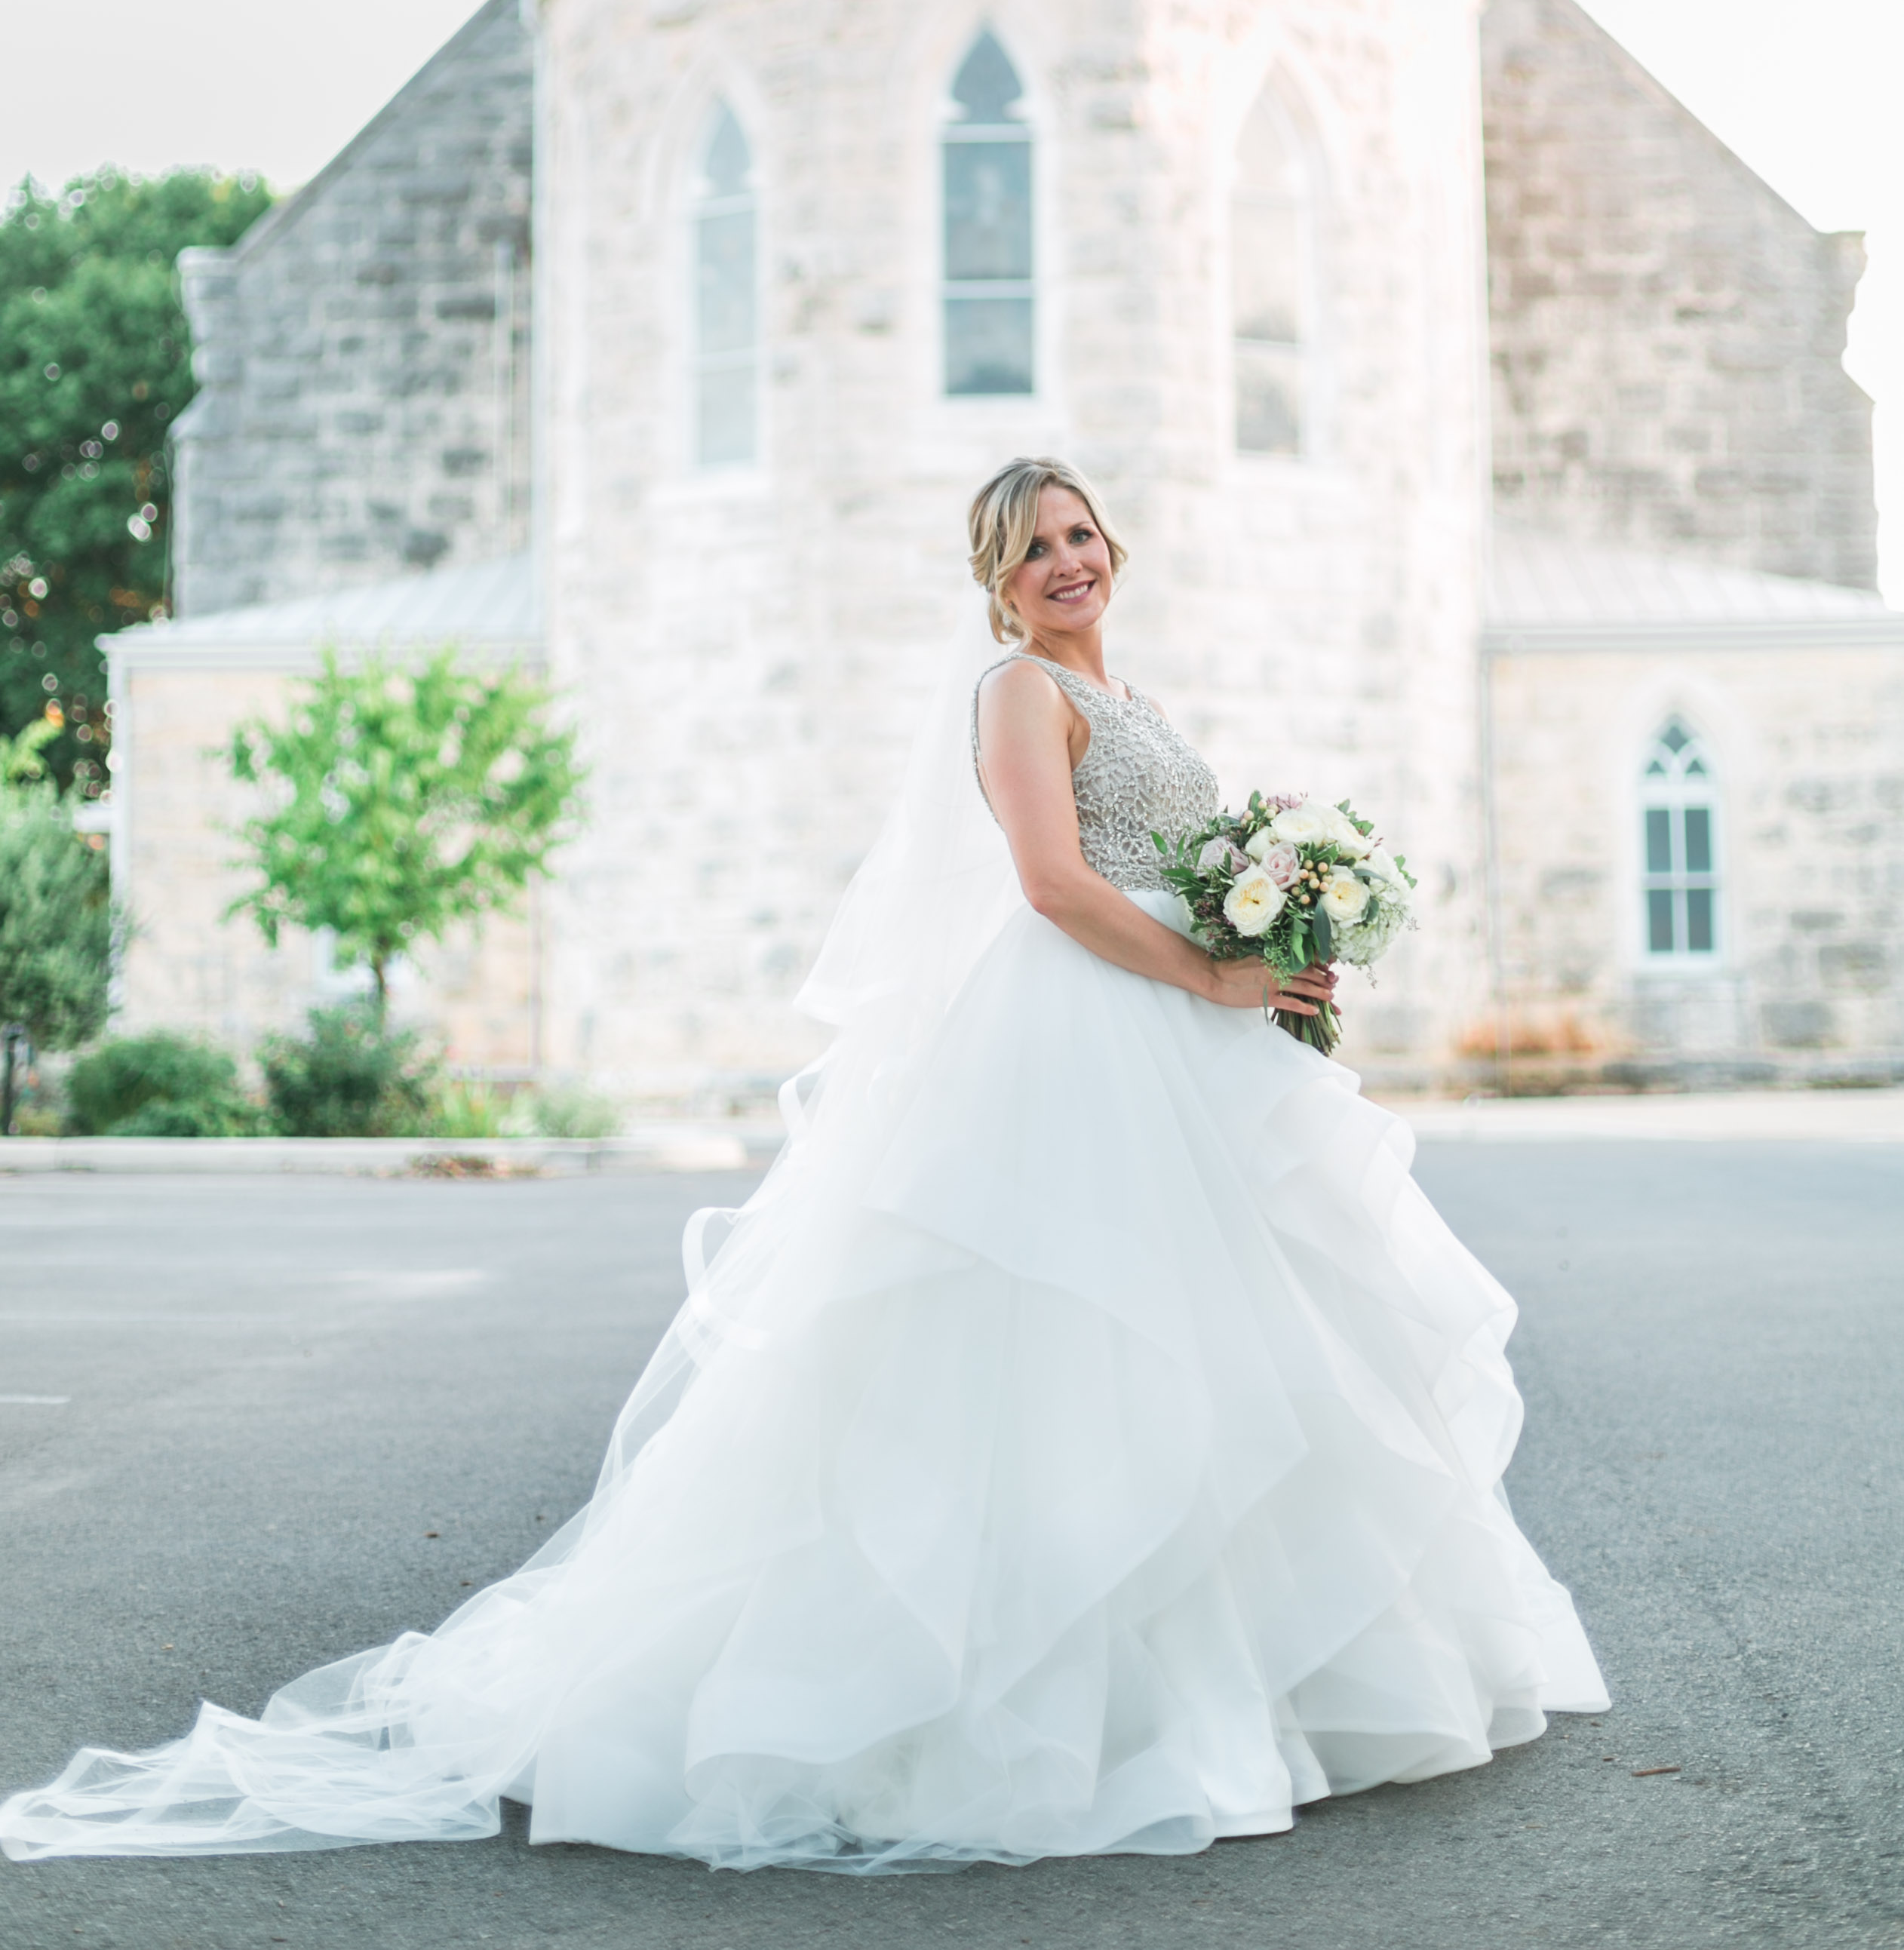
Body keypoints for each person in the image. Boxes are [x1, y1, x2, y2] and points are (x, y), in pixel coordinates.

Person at [0, 456, 1606, 1873]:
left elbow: (1166, 862)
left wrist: (1272, 926)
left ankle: (1250, 1688)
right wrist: (1211, 973)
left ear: (1111, 548)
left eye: (1079, 534)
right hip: (1085, 1034)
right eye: (1032, 547)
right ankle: (1049, 1711)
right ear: (995, 583)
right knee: (1070, 1355)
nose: (1065, 562)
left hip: (1184, 1042)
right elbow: (1051, 884)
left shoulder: (1134, 697)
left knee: (1231, 1354)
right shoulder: (1014, 694)